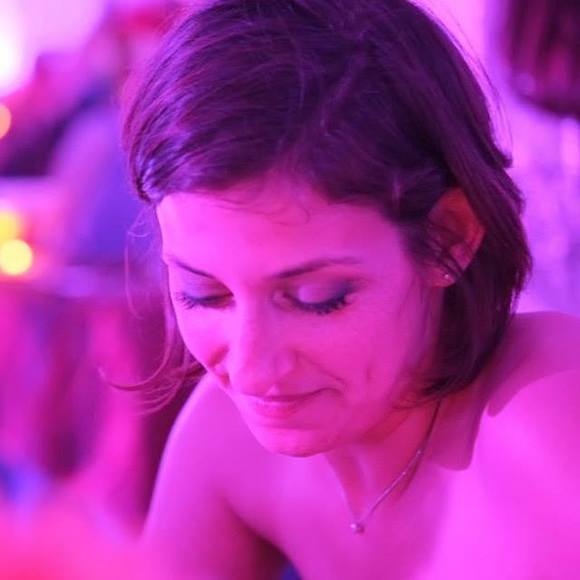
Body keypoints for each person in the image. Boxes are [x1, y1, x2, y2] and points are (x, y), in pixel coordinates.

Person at [122, 0, 580, 578]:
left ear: (449, 237)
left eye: (317, 298)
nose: (252, 369)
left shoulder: (550, 414)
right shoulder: (226, 436)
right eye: (203, 294)